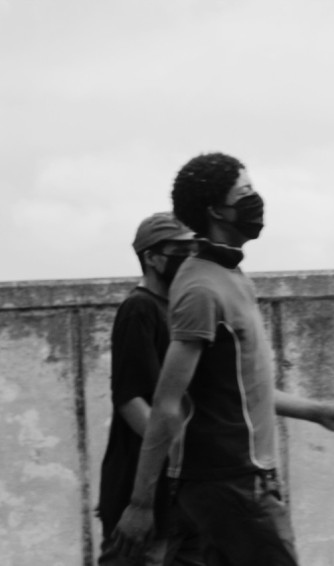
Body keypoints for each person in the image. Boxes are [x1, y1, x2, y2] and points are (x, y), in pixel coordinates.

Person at [112, 152, 334, 566]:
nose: (256, 200)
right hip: (230, 484)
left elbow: (242, 386)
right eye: (245, 192)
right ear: (217, 210)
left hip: (237, 482)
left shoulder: (231, 277)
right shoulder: (201, 288)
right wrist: (141, 503)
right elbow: (165, 402)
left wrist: (320, 410)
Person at [97, 212, 203, 566]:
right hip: (140, 494)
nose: (190, 256)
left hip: (181, 499)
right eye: (180, 249)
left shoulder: (180, 310)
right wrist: (178, 452)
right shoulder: (138, 309)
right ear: (152, 258)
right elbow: (131, 402)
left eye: (193, 248)